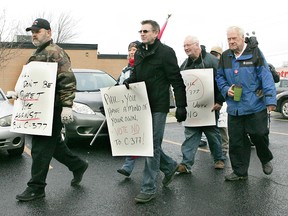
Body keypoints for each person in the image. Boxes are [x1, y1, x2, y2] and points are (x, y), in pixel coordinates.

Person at [15, 18, 88, 201]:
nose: (34, 34)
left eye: (37, 31)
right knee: (54, 147)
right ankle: (78, 165)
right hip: (39, 109)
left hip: (52, 110)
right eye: (32, 31)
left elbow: (67, 81)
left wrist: (66, 107)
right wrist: (20, 93)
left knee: (39, 148)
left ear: (49, 32)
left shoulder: (56, 53)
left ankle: (36, 187)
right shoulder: (38, 52)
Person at [123, 20, 187, 203]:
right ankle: (169, 167)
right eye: (140, 31)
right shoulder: (140, 52)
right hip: (142, 105)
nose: (141, 34)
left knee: (151, 146)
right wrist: (131, 80)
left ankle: (148, 188)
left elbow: (176, 80)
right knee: (147, 144)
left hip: (159, 106)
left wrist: (181, 106)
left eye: (145, 31)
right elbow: (136, 72)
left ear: (156, 33)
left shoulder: (166, 53)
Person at [216, 26, 276, 181]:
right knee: (236, 142)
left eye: (234, 38)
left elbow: (265, 75)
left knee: (259, 135)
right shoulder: (225, 56)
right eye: (229, 39)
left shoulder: (254, 53)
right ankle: (240, 172)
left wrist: (270, 99)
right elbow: (219, 77)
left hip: (255, 104)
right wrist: (225, 88)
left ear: (243, 38)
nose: (231, 41)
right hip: (234, 108)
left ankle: (265, 158)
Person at [177, 36, 226, 174]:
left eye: (188, 45)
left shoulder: (213, 61)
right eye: (184, 46)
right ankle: (186, 164)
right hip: (192, 110)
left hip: (210, 108)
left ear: (197, 45)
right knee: (190, 136)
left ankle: (219, 159)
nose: (186, 48)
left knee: (213, 135)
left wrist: (219, 101)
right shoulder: (185, 65)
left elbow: (222, 81)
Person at [116, 40, 140, 177]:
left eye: (134, 49)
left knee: (147, 142)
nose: (131, 52)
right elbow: (118, 86)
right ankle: (128, 166)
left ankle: (168, 166)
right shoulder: (124, 70)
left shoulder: (142, 68)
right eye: (130, 50)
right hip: (128, 110)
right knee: (133, 137)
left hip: (141, 109)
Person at [210, 46, 229, 155]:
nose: (214, 56)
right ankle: (217, 150)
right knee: (215, 127)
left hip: (224, 100)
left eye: (216, 54)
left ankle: (224, 149)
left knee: (222, 126)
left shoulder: (225, 65)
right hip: (213, 100)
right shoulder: (210, 65)